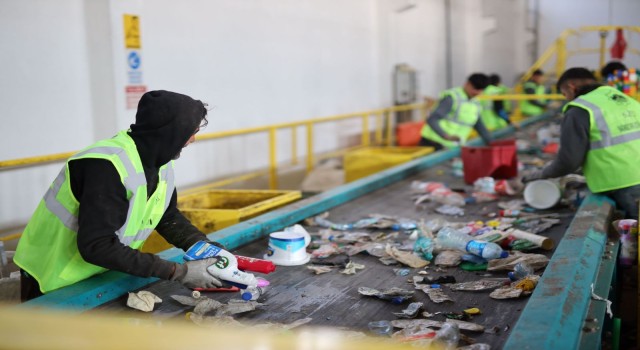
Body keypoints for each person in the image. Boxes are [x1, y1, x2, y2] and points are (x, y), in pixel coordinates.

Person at [14, 90, 227, 301]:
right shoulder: (106, 166)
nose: (192, 139)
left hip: (100, 272)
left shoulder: (160, 163)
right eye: (191, 131)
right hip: (54, 277)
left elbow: (166, 215)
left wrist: (203, 246)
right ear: (169, 131)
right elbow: (97, 245)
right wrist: (178, 272)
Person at [522, 67, 640, 220]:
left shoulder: (580, 109)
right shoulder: (624, 99)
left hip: (622, 183)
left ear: (571, 87)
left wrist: (540, 174)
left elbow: (568, 162)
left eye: (565, 94)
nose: (567, 99)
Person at [419, 73, 492, 150]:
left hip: (452, 146)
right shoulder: (452, 98)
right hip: (433, 143)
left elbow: (478, 124)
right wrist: (445, 136)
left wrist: (491, 142)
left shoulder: (475, 103)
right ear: (467, 84)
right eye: (475, 88)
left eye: (480, 90)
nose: (477, 92)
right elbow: (432, 119)